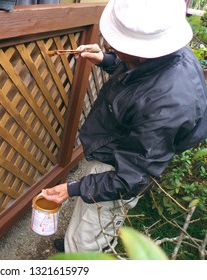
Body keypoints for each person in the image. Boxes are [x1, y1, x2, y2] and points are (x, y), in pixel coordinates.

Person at [41, 0, 207, 253]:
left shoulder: (168, 105)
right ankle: (76, 241)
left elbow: (132, 178)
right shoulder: (166, 55)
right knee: (89, 212)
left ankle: (82, 254)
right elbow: (140, 76)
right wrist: (105, 59)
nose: (112, 47)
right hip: (123, 150)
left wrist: (72, 188)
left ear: (140, 52)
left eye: (117, 45)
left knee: (94, 227)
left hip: (123, 169)